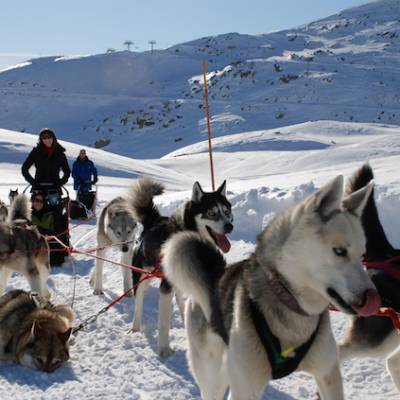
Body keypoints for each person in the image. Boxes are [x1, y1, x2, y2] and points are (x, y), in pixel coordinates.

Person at [21, 128, 70, 193]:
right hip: (38, 189)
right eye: (44, 138)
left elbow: (67, 171)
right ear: (41, 139)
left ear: (53, 138)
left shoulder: (60, 153)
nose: (47, 140)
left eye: (49, 137)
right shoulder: (36, 152)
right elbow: (24, 169)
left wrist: (60, 183)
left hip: (55, 190)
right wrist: (33, 182)